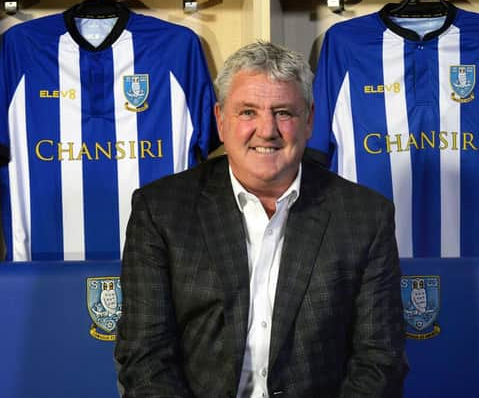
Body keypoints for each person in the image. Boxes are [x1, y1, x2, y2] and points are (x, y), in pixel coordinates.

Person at [115, 41, 408, 397]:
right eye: (248, 112)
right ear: (221, 121)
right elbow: (145, 358)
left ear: (309, 121)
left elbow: (379, 361)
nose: (267, 130)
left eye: (283, 112)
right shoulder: (160, 211)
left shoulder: (366, 217)